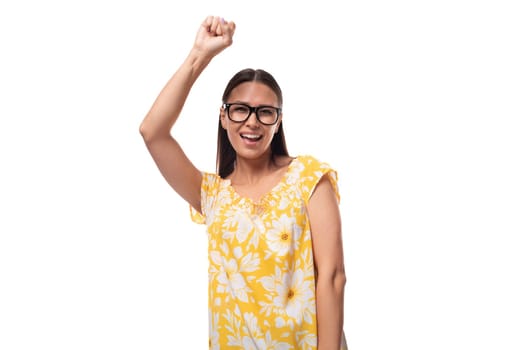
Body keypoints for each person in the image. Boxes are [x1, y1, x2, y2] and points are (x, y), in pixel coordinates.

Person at [140, 15, 347, 350]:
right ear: (224, 116)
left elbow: (333, 278)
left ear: (278, 122)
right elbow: (152, 132)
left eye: (266, 112)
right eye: (240, 110)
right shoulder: (210, 194)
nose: (252, 122)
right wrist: (200, 54)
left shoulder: (309, 178)